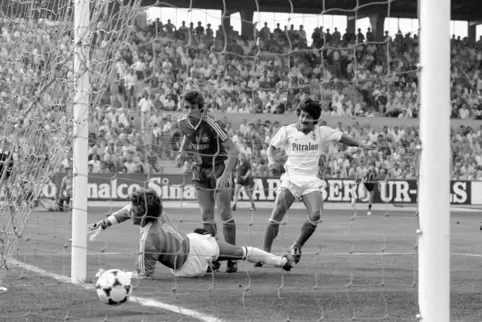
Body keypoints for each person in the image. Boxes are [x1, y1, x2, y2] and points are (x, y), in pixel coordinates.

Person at [255, 98, 376, 267]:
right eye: (302, 115)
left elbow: (342, 137)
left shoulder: (321, 132)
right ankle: (264, 254)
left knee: (316, 215)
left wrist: (361, 144)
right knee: (276, 216)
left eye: (308, 117)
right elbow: (271, 148)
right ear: (298, 115)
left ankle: (296, 246)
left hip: (311, 180)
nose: (304, 119)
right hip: (291, 178)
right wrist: (271, 160)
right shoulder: (287, 131)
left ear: (315, 119)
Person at [87, 189, 295, 279]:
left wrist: (112, 275)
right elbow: (125, 211)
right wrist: (104, 224)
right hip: (196, 243)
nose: (130, 211)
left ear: (143, 215)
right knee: (242, 251)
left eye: (134, 210)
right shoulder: (159, 213)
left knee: (230, 255)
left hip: (189, 266)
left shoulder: (148, 241)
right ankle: (281, 261)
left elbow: (145, 276)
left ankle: (208, 265)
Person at [175, 91, 239, 273]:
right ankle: (213, 257)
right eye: (186, 107)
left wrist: (225, 175)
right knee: (206, 216)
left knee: (225, 213)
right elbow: (188, 137)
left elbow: (233, 151)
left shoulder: (213, 124)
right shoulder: (182, 123)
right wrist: (181, 153)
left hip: (219, 169)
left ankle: (233, 257)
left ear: (200, 108)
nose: (189, 111)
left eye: (193, 107)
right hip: (200, 171)